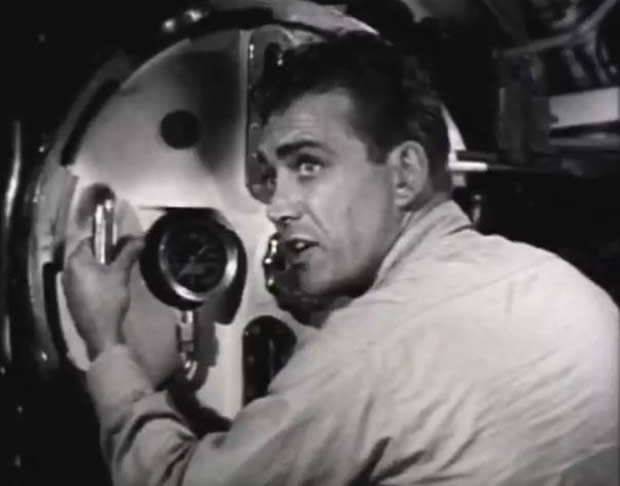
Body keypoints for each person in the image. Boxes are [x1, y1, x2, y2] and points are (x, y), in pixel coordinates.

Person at [63, 32, 618, 485]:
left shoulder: (365, 355)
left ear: (404, 174)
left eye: (308, 165)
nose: (277, 207)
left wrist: (107, 345)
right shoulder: (561, 283)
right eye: (271, 175)